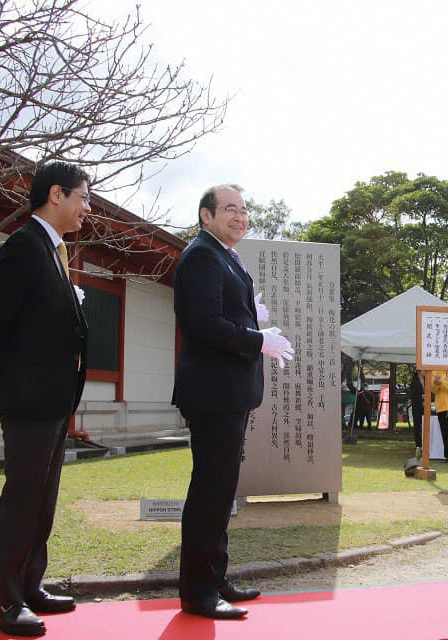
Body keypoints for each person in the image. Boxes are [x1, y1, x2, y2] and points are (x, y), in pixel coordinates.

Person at [0, 161, 90, 636]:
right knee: (22, 497)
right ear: (56, 194)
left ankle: (30, 586)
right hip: (29, 397)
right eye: (82, 197)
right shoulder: (25, 244)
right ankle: (3, 602)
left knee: (43, 498)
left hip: (54, 397)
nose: (86, 208)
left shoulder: (53, 249)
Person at [172, 184, 294, 619]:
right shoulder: (203, 255)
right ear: (206, 215)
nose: (240, 217)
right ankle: (198, 592)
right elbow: (203, 325)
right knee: (210, 490)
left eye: (244, 210)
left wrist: (250, 319)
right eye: (230, 210)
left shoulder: (224, 255)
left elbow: (223, 313)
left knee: (221, 491)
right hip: (213, 392)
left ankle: (215, 579)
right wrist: (256, 338)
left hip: (227, 392)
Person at [410, 370, 425, 455]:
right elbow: (414, 394)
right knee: (417, 424)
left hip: (426, 405)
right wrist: (422, 397)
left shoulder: (427, 379)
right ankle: (418, 444)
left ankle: (425, 443)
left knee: (425, 424)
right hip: (417, 405)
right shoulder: (414, 380)